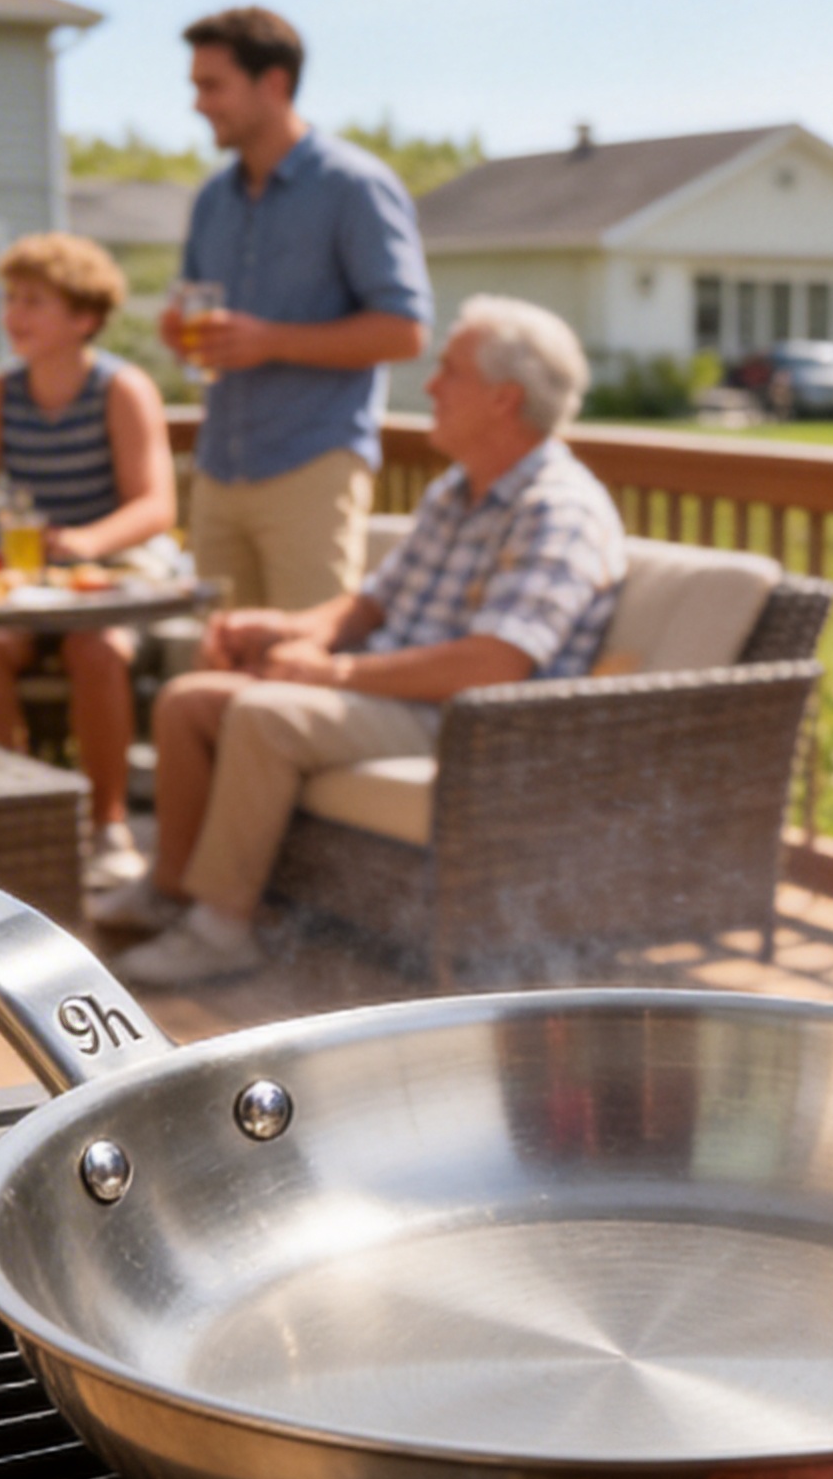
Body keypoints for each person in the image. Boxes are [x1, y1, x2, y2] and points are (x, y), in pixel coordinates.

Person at [99, 298, 622, 986]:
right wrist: (287, 629)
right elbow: (372, 603)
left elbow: (495, 663)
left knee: (266, 713)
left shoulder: (557, 509)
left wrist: (331, 674)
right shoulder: (458, 490)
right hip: (397, 696)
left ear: (504, 399)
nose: (429, 386)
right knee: (189, 701)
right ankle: (171, 891)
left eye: (448, 371)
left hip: (477, 727)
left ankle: (224, 929)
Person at [168, 7, 429, 618]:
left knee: (302, 671)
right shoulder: (212, 199)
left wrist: (270, 340)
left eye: (212, 85)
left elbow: (405, 331)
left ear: (275, 83)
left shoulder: (354, 187)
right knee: (219, 664)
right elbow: (198, 314)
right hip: (218, 469)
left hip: (312, 468)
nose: (198, 103)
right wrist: (182, 335)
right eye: (194, 86)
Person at [0, 234, 179, 888]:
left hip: (113, 578)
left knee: (96, 650)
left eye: (33, 301)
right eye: (10, 298)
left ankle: (107, 827)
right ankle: (16, 822)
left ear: (83, 317)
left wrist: (85, 543)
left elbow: (155, 505)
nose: (14, 314)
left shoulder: (121, 389)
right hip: (32, 585)